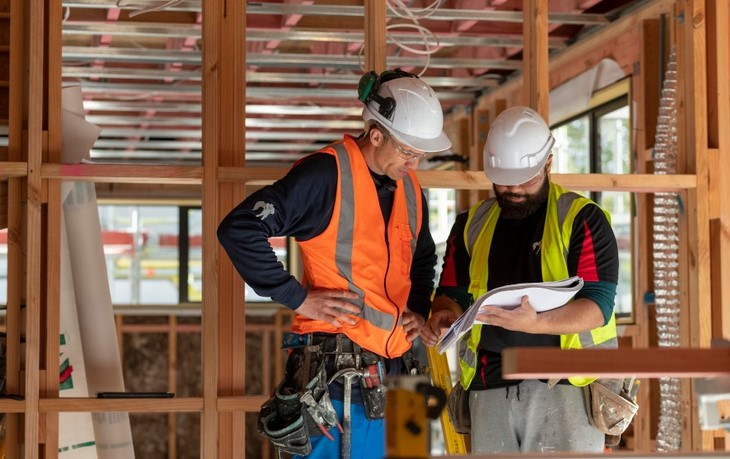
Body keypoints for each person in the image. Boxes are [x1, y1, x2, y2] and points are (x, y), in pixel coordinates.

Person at [217, 68, 451, 459]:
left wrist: (419, 307)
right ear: (376, 135)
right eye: (409, 151)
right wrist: (298, 297)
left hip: (404, 373)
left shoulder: (409, 187)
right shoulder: (326, 175)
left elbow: (423, 256)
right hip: (341, 379)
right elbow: (240, 228)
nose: (415, 163)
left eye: (422, 154)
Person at [421, 105, 620, 454]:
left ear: (548, 163)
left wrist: (536, 322)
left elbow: (596, 307)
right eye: (504, 179)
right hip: (488, 387)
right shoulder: (471, 225)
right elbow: (450, 293)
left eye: (525, 178)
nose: (513, 188)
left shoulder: (581, 219)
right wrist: (444, 315)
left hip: (566, 387)